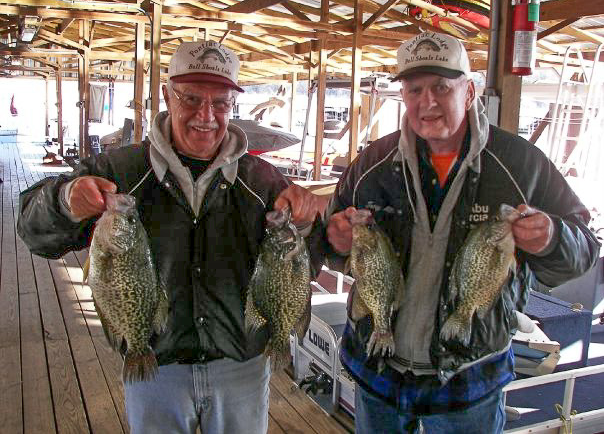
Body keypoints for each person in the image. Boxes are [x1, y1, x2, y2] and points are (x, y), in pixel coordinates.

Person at [17, 40, 324, 434]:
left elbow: (303, 268)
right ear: (167, 95)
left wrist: (308, 225)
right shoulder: (119, 170)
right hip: (154, 368)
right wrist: (63, 202)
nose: (206, 115)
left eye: (220, 103)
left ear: (233, 105)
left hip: (242, 368)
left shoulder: (261, 181)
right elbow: (32, 230)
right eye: (191, 98)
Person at [325, 31, 600, 433]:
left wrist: (553, 238)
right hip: (377, 365)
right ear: (403, 94)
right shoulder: (371, 162)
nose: (427, 102)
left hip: (470, 375)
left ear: (468, 92)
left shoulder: (520, 164)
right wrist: (335, 241)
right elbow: (332, 241)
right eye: (415, 88)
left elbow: (584, 247)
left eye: (441, 86)